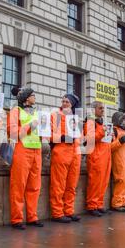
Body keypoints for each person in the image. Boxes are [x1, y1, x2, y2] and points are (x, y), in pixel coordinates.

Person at [7, 86, 43, 230]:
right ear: (27, 98)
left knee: (34, 187)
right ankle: (16, 219)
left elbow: (40, 132)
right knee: (18, 186)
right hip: (22, 150)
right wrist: (30, 126)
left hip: (37, 150)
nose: (35, 97)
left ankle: (32, 217)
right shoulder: (16, 111)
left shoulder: (37, 112)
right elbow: (13, 133)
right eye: (33, 95)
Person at [49, 94, 82, 223]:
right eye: (63, 101)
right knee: (58, 185)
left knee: (71, 185)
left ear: (72, 104)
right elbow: (49, 135)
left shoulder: (76, 118)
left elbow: (80, 136)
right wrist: (62, 138)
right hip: (61, 151)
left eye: (67, 102)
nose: (64, 103)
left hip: (75, 152)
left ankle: (69, 211)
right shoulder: (55, 115)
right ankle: (57, 213)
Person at [84, 101, 111, 216]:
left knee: (103, 182)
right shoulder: (90, 122)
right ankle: (92, 205)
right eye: (100, 108)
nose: (102, 110)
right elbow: (90, 138)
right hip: (96, 155)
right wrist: (103, 132)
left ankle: (98, 204)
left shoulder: (100, 123)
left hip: (104, 155)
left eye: (103, 108)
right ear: (93, 109)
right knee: (95, 182)